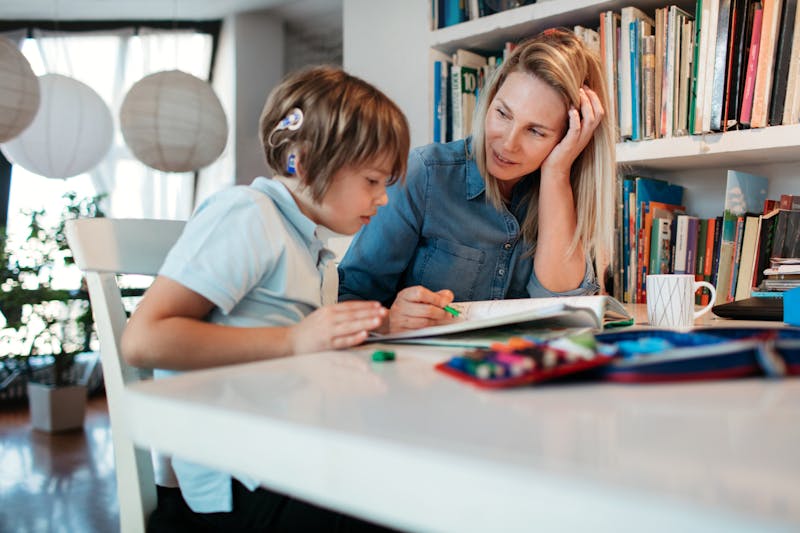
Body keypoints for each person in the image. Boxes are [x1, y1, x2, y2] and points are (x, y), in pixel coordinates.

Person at [121, 65, 409, 532]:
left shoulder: (309, 248)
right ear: (310, 163)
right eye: (373, 181)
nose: (383, 200)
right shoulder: (247, 215)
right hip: (242, 480)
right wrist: (294, 340)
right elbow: (144, 339)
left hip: (285, 459)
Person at [338, 28, 616, 333]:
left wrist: (556, 173)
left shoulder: (569, 193)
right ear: (490, 98)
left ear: (570, 136)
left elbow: (566, 314)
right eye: (503, 113)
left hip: (520, 373)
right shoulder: (425, 174)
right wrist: (391, 320)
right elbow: (347, 297)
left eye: (536, 131)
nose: (508, 143)